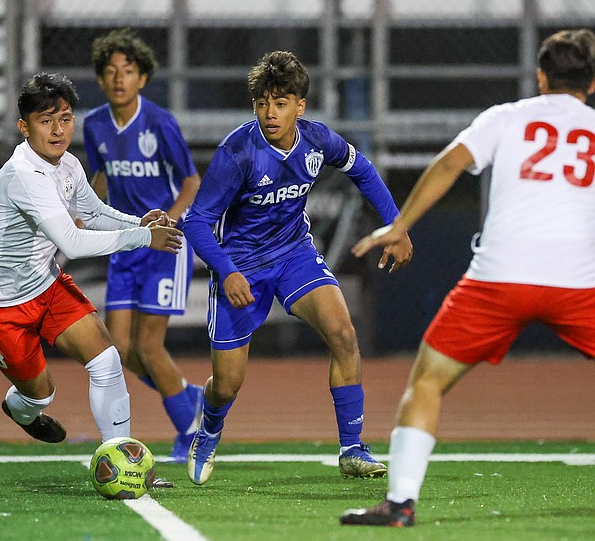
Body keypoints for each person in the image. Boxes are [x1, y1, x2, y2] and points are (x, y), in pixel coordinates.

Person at [340, 28, 595, 527]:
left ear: (541, 76)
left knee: (428, 383)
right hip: (578, 282)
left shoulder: (507, 117)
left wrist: (399, 225)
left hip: (498, 278)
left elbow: (450, 162)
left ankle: (400, 504)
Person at [182, 50, 413, 485]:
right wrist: (226, 270)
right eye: (263, 103)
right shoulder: (238, 153)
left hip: (293, 255)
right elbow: (196, 220)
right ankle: (208, 429)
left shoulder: (316, 139)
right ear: (254, 106)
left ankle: (352, 448)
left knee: (344, 333)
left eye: (281, 102)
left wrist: (395, 226)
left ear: (299, 106)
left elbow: (361, 169)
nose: (271, 113)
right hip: (241, 268)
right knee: (227, 385)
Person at [0, 72, 183, 449]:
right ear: (24, 127)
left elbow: (92, 213)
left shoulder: (67, 165)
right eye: (45, 120)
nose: (58, 129)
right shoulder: (25, 175)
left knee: (107, 360)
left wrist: (138, 220)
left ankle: (121, 456)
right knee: (40, 395)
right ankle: (22, 410)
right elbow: (73, 243)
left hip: (44, 283)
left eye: (65, 118)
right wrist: (145, 238)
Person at [83, 28, 203, 462]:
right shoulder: (95, 124)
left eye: (128, 71)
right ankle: (189, 396)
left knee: (150, 347)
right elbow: (97, 181)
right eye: (111, 72)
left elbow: (191, 180)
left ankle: (191, 432)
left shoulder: (159, 122)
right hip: (125, 245)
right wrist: (84, 215)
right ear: (101, 80)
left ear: (143, 79)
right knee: (121, 351)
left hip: (164, 246)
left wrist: (169, 218)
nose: (119, 79)